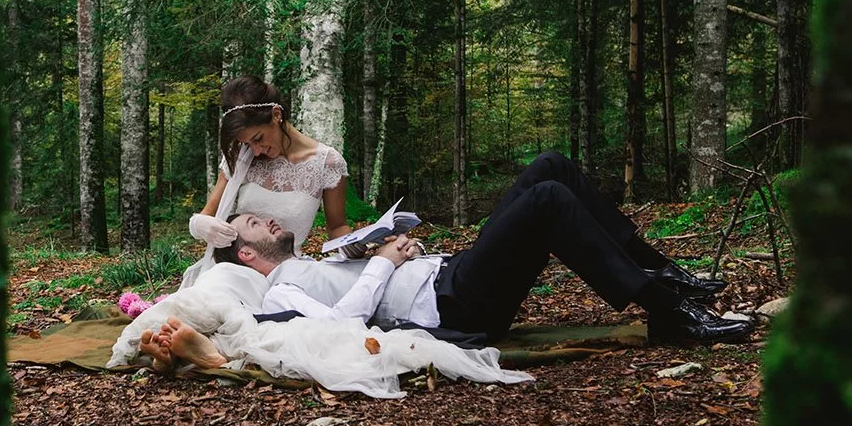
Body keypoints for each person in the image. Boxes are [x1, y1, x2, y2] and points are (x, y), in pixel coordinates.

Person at [211, 151, 755, 346]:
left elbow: (362, 282)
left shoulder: (306, 263)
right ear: (246, 256)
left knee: (552, 166)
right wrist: (382, 264)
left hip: (450, 274)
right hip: (454, 305)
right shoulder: (279, 291)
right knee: (545, 199)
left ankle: (669, 275)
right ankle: (668, 313)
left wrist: (389, 248)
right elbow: (338, 325)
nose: (270, 220)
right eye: (256, 223)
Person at [181, 76, 353, 288]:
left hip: (285, 277)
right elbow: (206, 215)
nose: (255, 150)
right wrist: (200, 225)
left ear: (276, 115)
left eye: (258, 138)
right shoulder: (241, 156)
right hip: (234, 275)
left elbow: (337, 228)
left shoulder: (327, 163)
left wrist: (362, 246)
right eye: (246, 143)